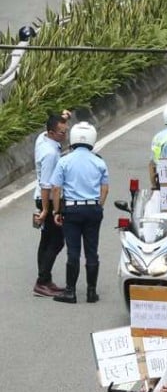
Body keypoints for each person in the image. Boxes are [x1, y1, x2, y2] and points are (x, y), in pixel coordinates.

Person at [49, 121, 108, 304]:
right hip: (93, 209)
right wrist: (98, 205)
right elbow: (105, 189)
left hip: (72, 209)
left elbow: (56, 189)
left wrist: (57, 211)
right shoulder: (99, 161)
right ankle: (91, 292)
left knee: (73, 251)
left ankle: (70, 291)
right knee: (92, 251)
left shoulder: (64, 161)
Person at [32, 110, 69, 297]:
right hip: (47, 198)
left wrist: (63, 116)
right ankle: (41, 281)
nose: (66, 135)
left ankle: (45, 279)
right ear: (52, 133)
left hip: (42, 196)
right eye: (62, 132)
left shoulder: (43, 138)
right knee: (56, 241)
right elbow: (47, 185)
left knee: (46, 239)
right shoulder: (50, 155)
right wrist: (48, 210)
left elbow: (55, 123)